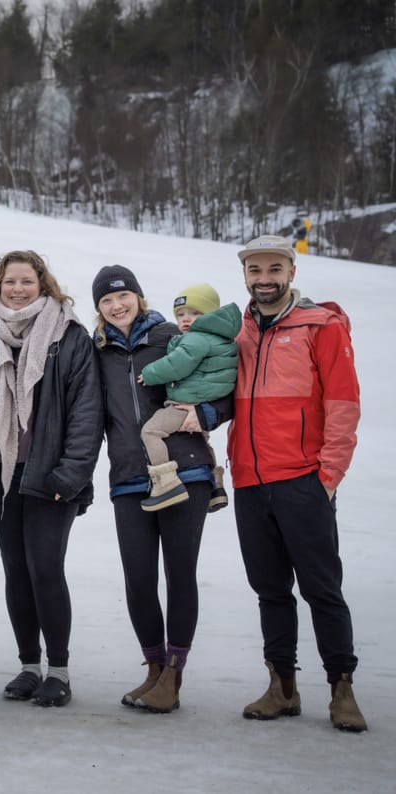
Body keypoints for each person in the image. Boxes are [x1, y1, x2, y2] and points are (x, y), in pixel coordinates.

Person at [230, 235, 367, 732]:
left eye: (274, 269)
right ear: (245, 275)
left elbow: (344, 405)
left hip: (302, 481)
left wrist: (327, 476)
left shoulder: (321, 326)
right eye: (255, 270)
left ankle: (342, 688)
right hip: (251, 481)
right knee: (270, 590)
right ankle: (282, 687)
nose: (264, 279)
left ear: (290, 271)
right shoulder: (239, 331)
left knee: (322, 589)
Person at [92, 265, 230, 714]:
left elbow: (227, 378)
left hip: (183, 469)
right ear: (99, 308)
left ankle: (174, 673)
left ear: (138, 297)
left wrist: (207, 415)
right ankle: (153, 668)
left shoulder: (171, 335)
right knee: (138, 579)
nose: (117, 306)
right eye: (107, 300)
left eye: (124, 296)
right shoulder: (96, 351)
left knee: (179, 573)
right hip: (129, 476)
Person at [0, 250, 102, 709]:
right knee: (16, 571)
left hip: (51, 474)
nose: (17, 289)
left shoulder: (69, 336)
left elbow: (87, 411)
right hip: (3, 474)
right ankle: (30, 666)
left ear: (43, 285)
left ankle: (60, 671)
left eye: (26, 281)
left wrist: (70, 473)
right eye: (9, 281)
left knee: (45, 569)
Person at [137, 283, 240, 511]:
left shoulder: (197, 338)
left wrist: (149, 374)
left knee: (151, 431)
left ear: (210, 314)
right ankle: (216, 485)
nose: (186, 319)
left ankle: (166, 483)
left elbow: (177, 365)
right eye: (181, 314)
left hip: (184, 405)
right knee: (203, 440)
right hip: (202, 406)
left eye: (195, 313)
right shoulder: (222, 338)